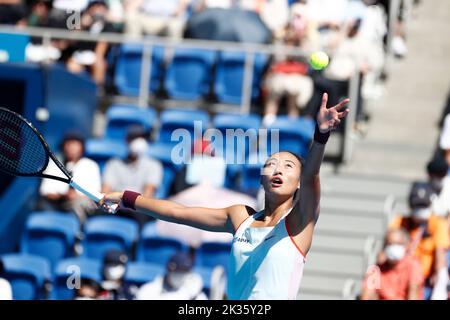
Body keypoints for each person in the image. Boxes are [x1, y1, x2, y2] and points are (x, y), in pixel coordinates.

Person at [100, 93, 350, 299]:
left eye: (288, 166)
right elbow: (179, 212)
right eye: (271, 163)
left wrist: (321, 136)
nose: (278, 169)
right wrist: (126, 197)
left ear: (298, 183)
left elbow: (311, 177)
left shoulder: (299, 223)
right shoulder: (240, 216)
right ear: (261, 177)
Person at [389, 182, 449, 300]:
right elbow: (387, 248)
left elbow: (440, 254)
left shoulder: (436, 223)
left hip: (426, 283)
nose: (420, 210)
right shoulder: (400, 222)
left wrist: (439, 282)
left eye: (424, 206)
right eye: (417, 206)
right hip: (400, 279)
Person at [102, 125, 163, 225]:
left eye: (142, 138)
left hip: (139, 209)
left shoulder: (154, 165)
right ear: (127, 141)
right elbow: (105, 191)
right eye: (134, 138)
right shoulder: (114, 163)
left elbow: (148, 195)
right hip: (116, 207)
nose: (138, 142)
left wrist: (129, 204)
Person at [39, 132, 102, 223]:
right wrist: (63, 195)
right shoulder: (54, 163)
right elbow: (45, 191)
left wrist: (76, 195)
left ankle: (78, 233)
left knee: (80, 204)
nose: (72, 148)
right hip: (56, 203)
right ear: (63, 146)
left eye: (75, 144)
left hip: (82, 204)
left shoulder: (91, 165)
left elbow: (96, 192)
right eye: (69, 144)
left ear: (82, 147)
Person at [361, 229, 424, 300]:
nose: (393, 247)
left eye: (398, 244)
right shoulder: (376, 269)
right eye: (390, 244)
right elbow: (366, 294)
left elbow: (413, 292)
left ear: (406, 245)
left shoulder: (413, 264)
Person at [136, 251, 207, 300]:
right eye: (177, 271)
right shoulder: (148, 290)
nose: (180, 275)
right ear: (169, 270)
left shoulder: (196, 295)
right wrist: (186, 295)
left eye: (184, 272)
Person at [124, 0, 190, 38]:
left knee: (176, 24)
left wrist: (178, 11)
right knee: (131, 17)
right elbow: (130, 7)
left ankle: (172, 58)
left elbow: (182, 6)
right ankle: (133, 55)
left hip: (169, 19)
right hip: (146, 17)